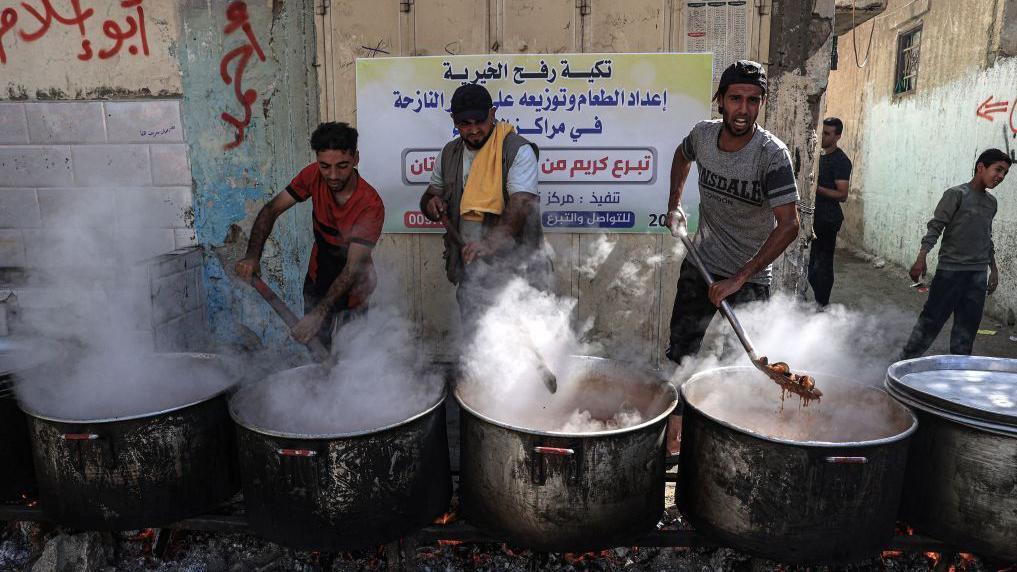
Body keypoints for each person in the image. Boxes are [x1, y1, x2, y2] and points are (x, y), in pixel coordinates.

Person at [664, 60, 801, 365]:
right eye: (735, 99)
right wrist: (675, 204)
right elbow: (682, 155)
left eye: (753, 100)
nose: (743, 109)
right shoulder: (702, 136)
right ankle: (678, 414)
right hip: (701, 265)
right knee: (680, 353)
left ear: (761, 103)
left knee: (737, 370)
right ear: (721, 100)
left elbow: (790, 225)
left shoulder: (772, 155)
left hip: (749, 279)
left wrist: (739, 278)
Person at [235, 122, 385, 350]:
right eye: (325, 166)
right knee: (317, 352)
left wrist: (319, 314)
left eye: (342, 166)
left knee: (351, 359)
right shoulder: (312, 175)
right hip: (318, 279)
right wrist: (252, 256)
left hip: (353, 291)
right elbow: (272, 209)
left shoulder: (370, 205)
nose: (332, 175)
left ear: (356, 159)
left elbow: (353, 269)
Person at [418, 83, 546, 333]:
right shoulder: (449, 154)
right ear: (454, 121)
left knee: (520, 342)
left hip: (517, 270)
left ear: (493, 113)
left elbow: (520, 204)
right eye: (465, 124)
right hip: (470, 268)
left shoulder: (517, 150)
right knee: (477, 343)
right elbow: (432, 195)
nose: (474, 130)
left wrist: (489, 244)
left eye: (480, 121)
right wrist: (431, 204)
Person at [898, 149, 1011, 359]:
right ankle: (902, 363)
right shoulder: (956, 194)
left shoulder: (991, 203)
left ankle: (957, 373)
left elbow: (987, 237)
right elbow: (936, 227)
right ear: (981, 168)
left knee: (966, 332)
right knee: (930, 323)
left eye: (1005, 173)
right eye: (998, 170)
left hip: (977, 277)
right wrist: (921, 257)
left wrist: (993, 269)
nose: (1001, 177)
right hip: (950, 273)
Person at [807, 117, 852, 307]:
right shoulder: (820, 156)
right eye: (822, 132)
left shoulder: (841, 161)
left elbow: (842, 194)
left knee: (823, 264)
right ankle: (819, 301)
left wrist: (815, 188)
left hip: (828, 220)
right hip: (815, 217)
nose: (822, 136)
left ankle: (822, 304)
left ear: (837, 136)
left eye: (827, 133)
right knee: (811, 264)